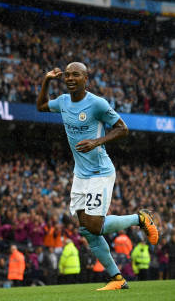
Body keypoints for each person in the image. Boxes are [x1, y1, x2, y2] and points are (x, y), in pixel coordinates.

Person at [37, 62, 159, 291]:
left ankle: (140, 218)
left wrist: (96, 141)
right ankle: (117, 278)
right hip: (80, 174)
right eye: (67, 75)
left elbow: (123, 128)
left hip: (100, 171)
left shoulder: (97, 104)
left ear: (86, 79)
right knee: (86, 229)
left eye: (76, 75)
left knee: (94, 225)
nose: (70, 78)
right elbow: (41, 106)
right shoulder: (63, 101)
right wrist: (46, 80)